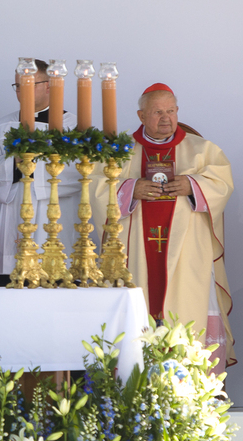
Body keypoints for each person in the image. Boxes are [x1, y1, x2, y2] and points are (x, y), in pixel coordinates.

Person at [92, 83, 234, 370]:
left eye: (171, 110)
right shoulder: (119, 151)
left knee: (188, 314)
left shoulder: (202, 150)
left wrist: (193, 185)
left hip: (188, 256)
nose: (166, 118)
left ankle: (193, 388)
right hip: (134, 256)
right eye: (157, 112)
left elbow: (223, 185)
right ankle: (135, 386)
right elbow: (96, 190)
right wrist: (131, 189)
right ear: (141, 115)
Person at [0, 59, 80, 287]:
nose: (21, 91)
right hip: (13, 221)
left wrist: (36, 165)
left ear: (49, 85)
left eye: (29, 84)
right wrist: (13, 163)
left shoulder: (72, 126)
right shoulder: (4, 126)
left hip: (55, 221)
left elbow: (79, 175)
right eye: (18, 85)